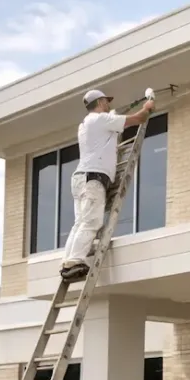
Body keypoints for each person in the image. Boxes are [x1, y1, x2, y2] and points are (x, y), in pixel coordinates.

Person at [59, 87, 155, 282]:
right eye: (106, 101)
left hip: (81, 178)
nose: (108, 104)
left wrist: (114, 117)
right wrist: (148, 106)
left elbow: (108, 134)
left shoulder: (86, 124)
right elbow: (138, 119)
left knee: (80, 223)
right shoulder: (100, 120)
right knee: (91, 221)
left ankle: (67, 263)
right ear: (101, 102)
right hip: (92, 179)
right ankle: (74, 261)